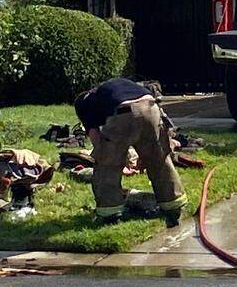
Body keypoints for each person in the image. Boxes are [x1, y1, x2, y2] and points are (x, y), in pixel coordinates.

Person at [74, 78, 187, 225]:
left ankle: (110, 213)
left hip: (124, 112)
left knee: (107, 167)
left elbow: (97, 141)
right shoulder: (112, 88)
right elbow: (140, 123)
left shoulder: (85, 104)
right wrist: (143, 154)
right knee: (159, 160)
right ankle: (173, 205)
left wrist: (109, 156)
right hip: (152, 107)